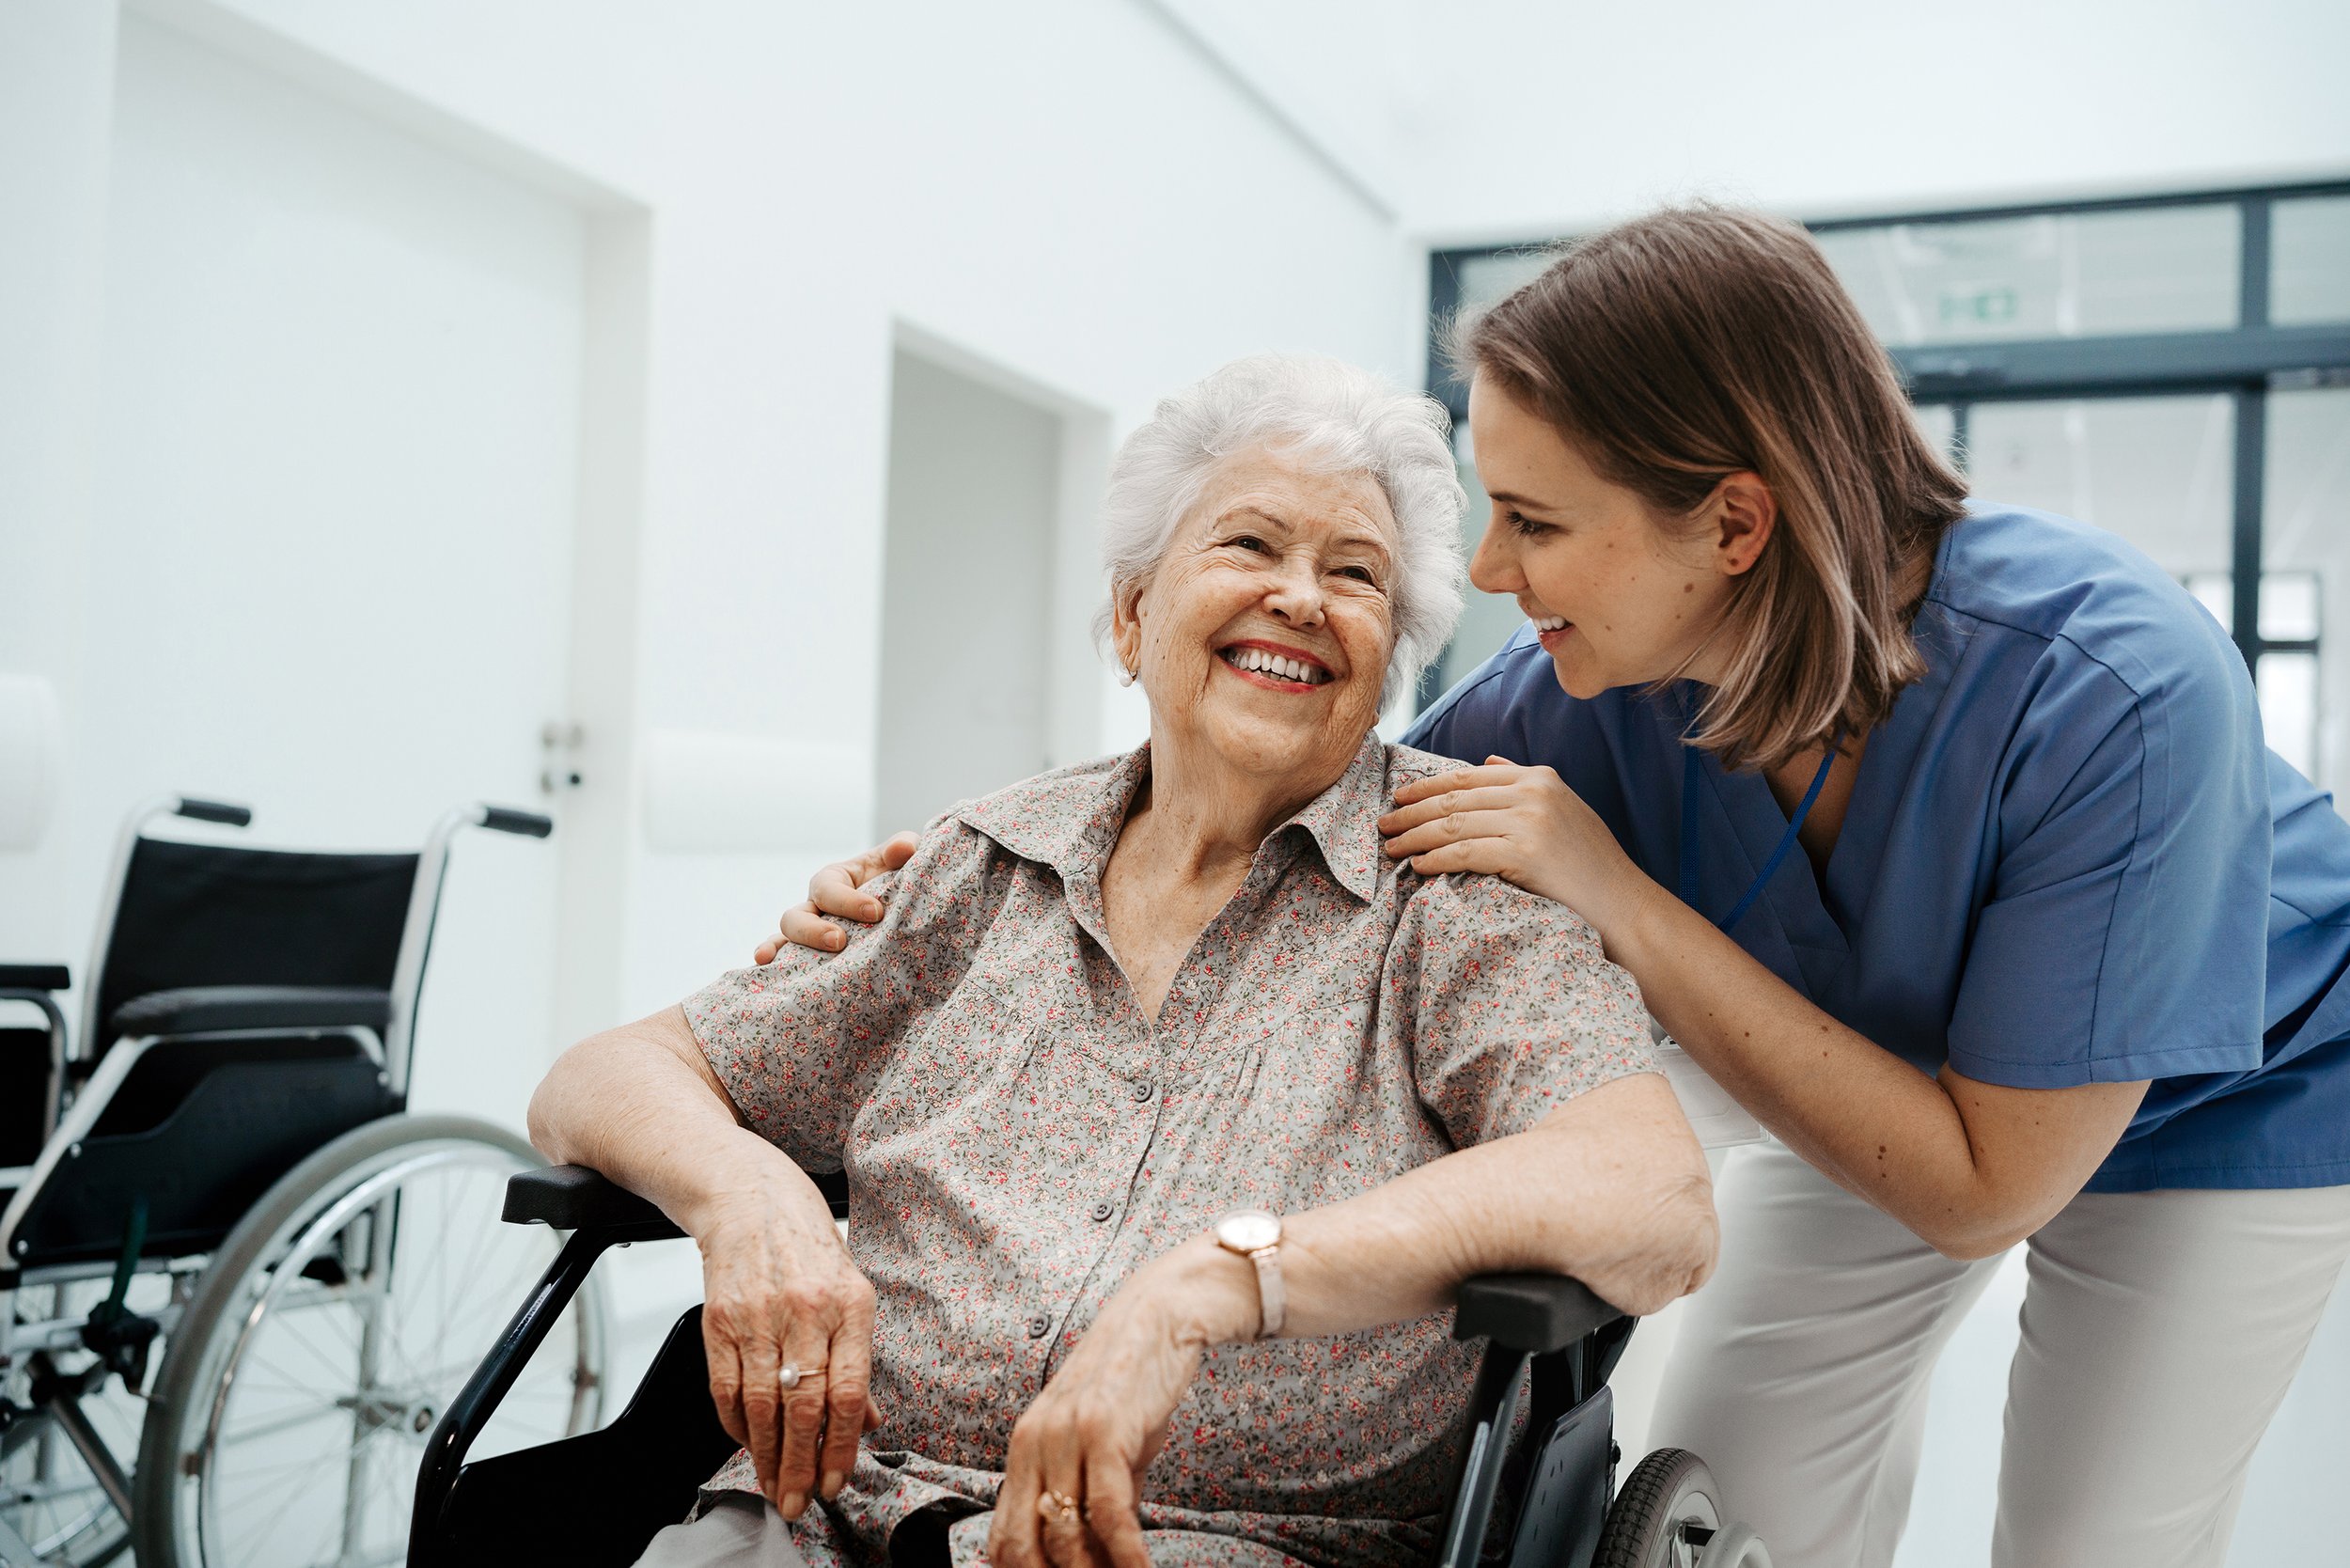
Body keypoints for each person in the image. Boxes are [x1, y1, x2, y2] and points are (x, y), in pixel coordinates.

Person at [777, 209, 2350, 1568]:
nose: (1484, 576)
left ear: (1733, 522)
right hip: (1873, 1078)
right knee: (1746, 1494)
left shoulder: (2117, 689)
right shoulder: (1570, 693)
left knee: (2093, 1539)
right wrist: (966, 879)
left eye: (1533, 522)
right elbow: (1292, 776)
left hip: (2220, 1096)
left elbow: (1981, 1187)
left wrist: (1617, 893)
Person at [533, 353, 1718, 1568]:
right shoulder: (982, 867)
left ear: (1390, 658)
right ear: (1131, 615)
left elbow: (1655, 1196)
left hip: (1224, 1543)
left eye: (1353, 573)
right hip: (831, 1517)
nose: (1302, 598)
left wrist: (1214, 1284)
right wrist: (747, 1194)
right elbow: (599, 1078)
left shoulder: (1453, 893)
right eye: (1250, 546)